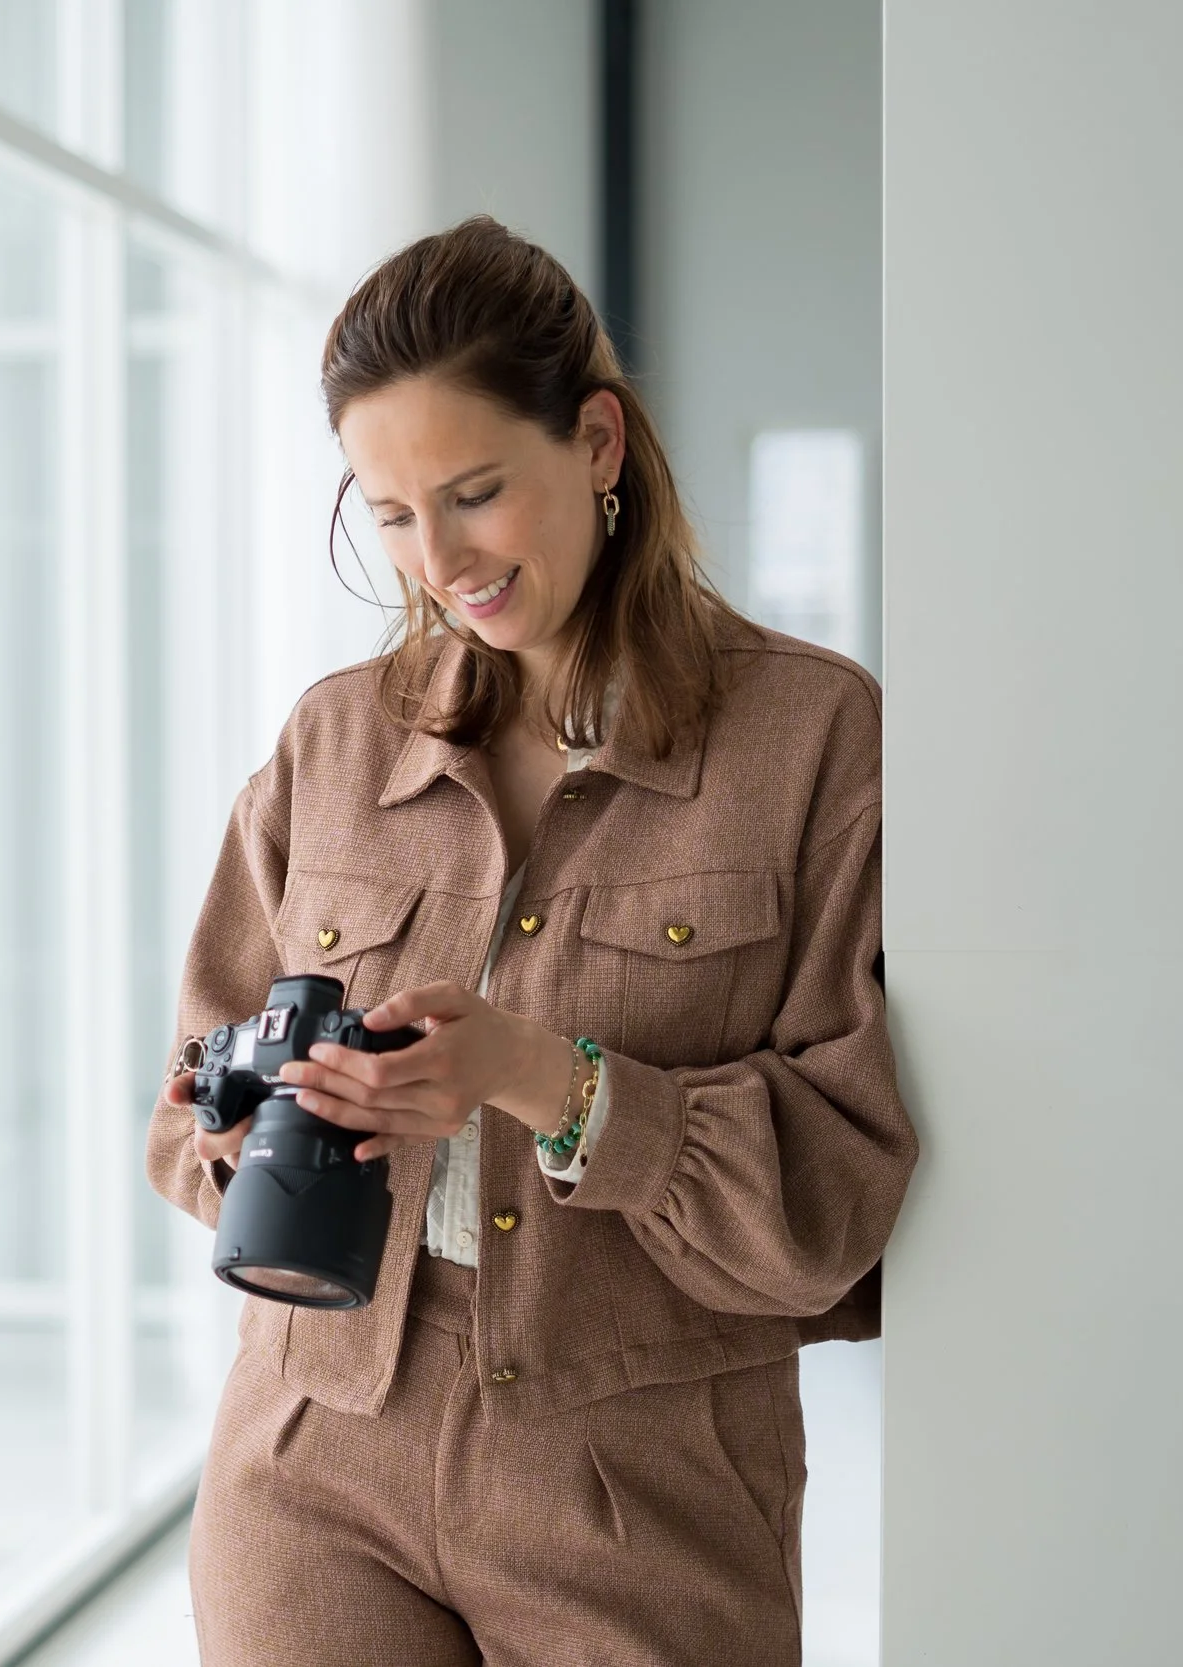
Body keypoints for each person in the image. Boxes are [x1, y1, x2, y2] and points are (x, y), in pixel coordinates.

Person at [145, 216, 916, 1665]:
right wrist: (234, 1131)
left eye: (476, 492)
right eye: (387, 511)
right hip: (313, 1458)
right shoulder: (334, 738)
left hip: (640, 1484)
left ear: (601, 443)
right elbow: (186, 1098)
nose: (435, 559)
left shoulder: (813, 738)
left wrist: (551, 1080)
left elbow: (838, 1195)